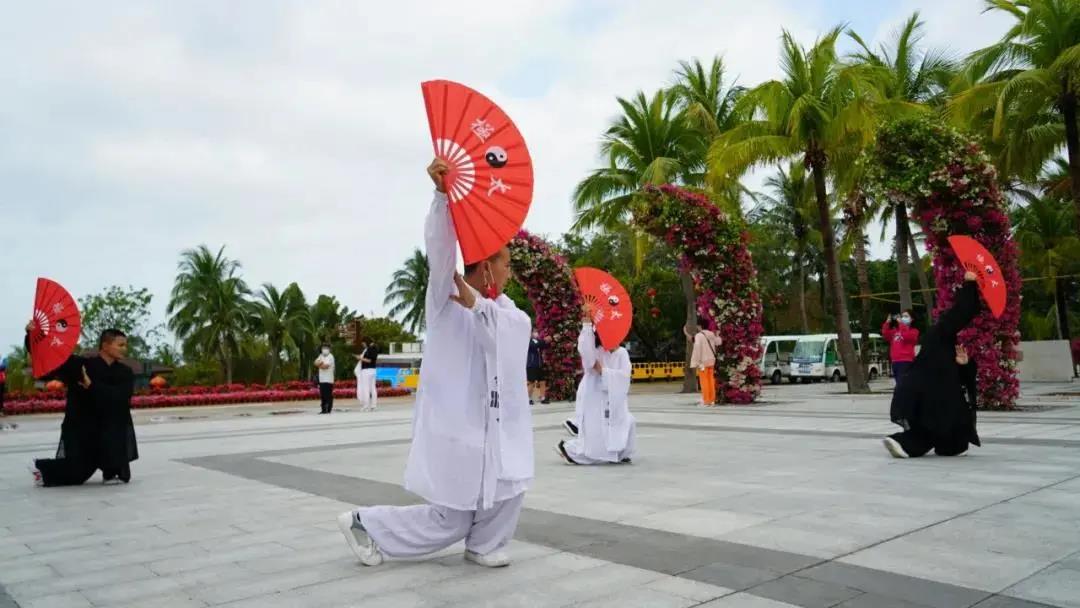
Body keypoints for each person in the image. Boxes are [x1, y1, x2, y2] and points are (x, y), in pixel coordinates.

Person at [337, 158, 533, 569]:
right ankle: (365, 523)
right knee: (451, 518)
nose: (510, 270)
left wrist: (479, 304)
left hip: (496, 431)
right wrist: (442, 197)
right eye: (506, 263)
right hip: (456, 430)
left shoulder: (506, 311)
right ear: (486, 266)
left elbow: (510, 331)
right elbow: (441, 255)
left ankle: (485, 545)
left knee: (511, 485)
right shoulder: (444, 303)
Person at [883, 272, 983, 459]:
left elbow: (960, 377)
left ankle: (947, 445)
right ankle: (905, 444)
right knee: (934, 424)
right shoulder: (940, 332)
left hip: (920, 394)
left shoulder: (944, 345)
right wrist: (970, 284)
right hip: (926, 395)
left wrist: (964, 363)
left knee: (948, 422)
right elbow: (963, 311)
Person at [28, 327, 138, 486]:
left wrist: (91, 386)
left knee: (118, 472)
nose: (124, 349)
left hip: (109, 429)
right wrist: (34, 335)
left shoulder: (125, 372)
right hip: (82, 428)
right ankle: (41, 468)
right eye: (120, 345)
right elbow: (53, 356)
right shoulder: (82, 366)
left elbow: (120, 398)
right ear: (105, 346)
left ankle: (111, 471)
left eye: (125, 345)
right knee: (78, 473)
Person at [557, 315, 635, 465]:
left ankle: (620, 452)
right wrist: (586, 323)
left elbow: (624, 377)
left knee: (626, 421)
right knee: (596, 430)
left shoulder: (622, 353)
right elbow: (587, 356)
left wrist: (604, 372)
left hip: (614, 396)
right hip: (593, 395)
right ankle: (572, 451)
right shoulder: (595, 351)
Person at [687, 318, 721, 407]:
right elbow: (718, 342)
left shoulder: (699, 336)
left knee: (704, 381)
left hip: (703, 362)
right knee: (711, 380)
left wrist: (695, 362)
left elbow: (697, 348)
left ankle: (706, 400)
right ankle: (712, 399)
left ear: (699, 326)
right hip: (711, 361)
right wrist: (717, 335)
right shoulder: (711, 334)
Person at [882, 309, 919, 385]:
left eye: (906, 316)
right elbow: (886, 335)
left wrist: (901, 324)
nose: (903, 318)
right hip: (895, 361)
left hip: (906, 361)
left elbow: (906, 336)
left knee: (903, 384)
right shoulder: (896, 331)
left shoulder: (914, 331)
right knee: (899, 383)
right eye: (902, 316)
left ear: (912, 319)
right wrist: (887, 323)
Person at [354, 341, 380, 412]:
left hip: (366, 371)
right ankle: (374, 406)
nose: (363, 344)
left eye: (364, 343)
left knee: (366, 388)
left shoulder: (369, 349)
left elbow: (369, 360)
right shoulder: (375, 349)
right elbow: (373, 360)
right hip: (373, 370)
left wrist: (360, 358)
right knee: (373, 388)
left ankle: (366, 406)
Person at [526, 330, 549, 405]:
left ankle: (543, 397)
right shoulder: (528, 341)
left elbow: (544, 345)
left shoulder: (537, 340)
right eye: (534, 332)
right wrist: (544, 340)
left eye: (536, 332)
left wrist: (548, 341)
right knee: (531, 382)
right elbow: (535, 345)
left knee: (542, 381)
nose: (536, 333)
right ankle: (528, 398)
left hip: (540, 365)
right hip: (531, 365)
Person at [315, 344, 335, 414]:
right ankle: (323, 409)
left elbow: (325, 366)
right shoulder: (321, 356)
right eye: (323, 348)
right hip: (322, 379)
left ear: (329, 349)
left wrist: (319, 364)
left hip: (329, 379)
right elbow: (315, 363)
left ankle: (328, 408)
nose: (324, 349)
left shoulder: (330, 356)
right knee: (322, 395)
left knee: (328, 394)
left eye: (326, 348)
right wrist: (321, 364)